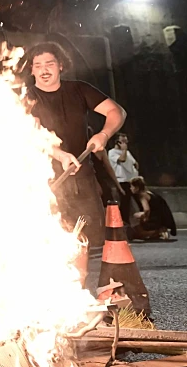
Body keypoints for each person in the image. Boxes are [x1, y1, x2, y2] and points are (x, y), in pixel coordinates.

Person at [21, 42, 126, 265]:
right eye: (38, 65)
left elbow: (116, 111)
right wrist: (59, 155)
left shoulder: (79, 89)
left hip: (82, 178)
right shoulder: (27, 97)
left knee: (81, 242)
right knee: (46, 240)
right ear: (32, 70)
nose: (44, 69)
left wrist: (104, 135)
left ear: (61, 65)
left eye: (49, 63)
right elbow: (32, 133)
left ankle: (76, 292)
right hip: (45, 182)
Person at [128, 177, 177, 241]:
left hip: (154, 220)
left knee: (136, 221)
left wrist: (144, 217)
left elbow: (146, 209)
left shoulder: (142, 196)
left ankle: (157, 232)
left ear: (137, 188)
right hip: (160, 218)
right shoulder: (149, 193)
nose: (130, 188)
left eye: (132, 186)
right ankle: (158, 232)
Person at [109, 133, 141, 222]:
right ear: (117, 142)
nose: (125, 143)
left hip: (131, 180)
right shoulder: (112, 152)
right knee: (125, 203)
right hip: (122, 180)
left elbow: (135, 163)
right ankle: (124, 222)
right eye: (122, 141)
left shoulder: (127, 152)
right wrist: (123, 150)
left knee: (139, 201)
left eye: (126, 141)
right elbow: (122, 160)